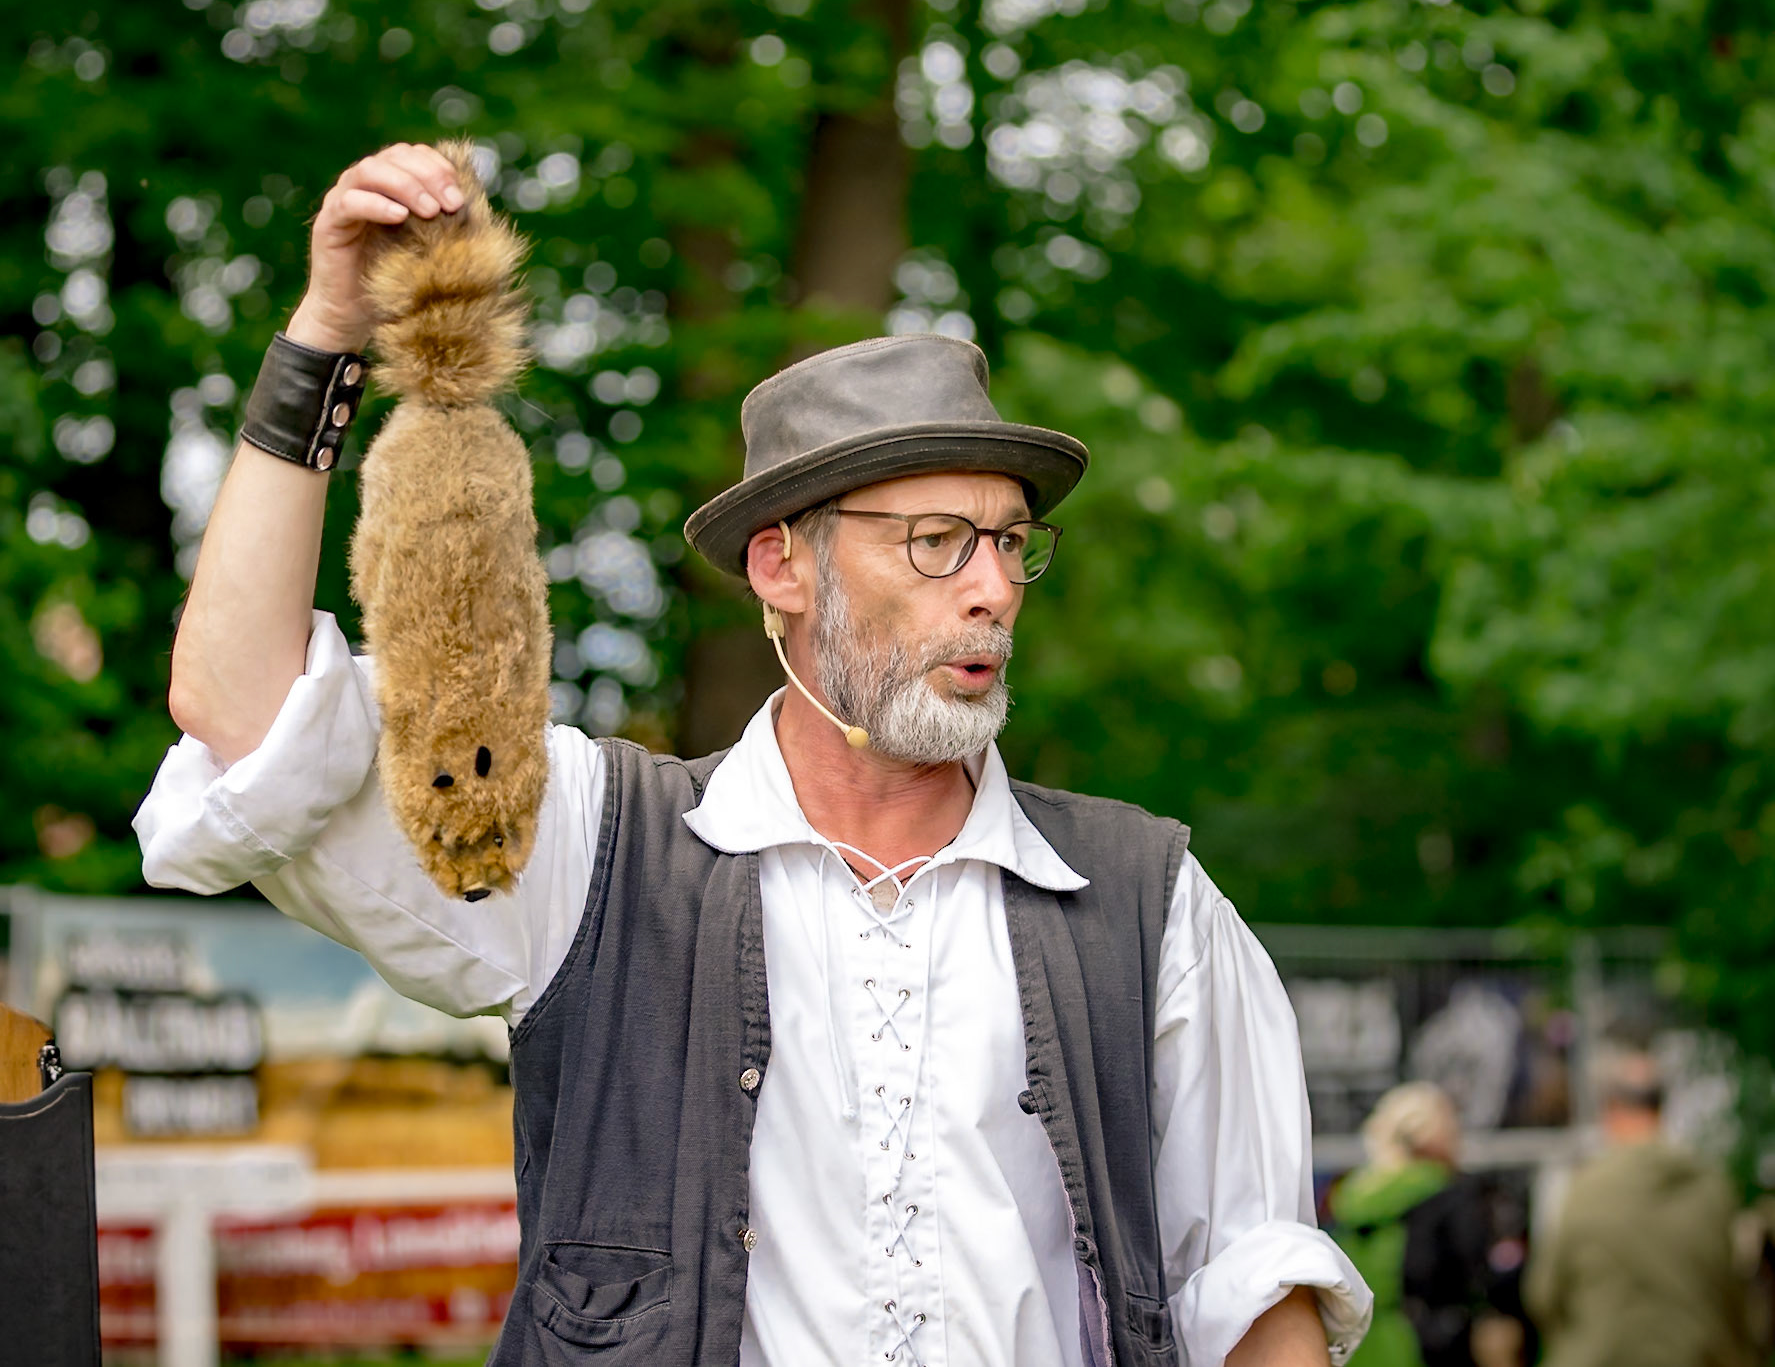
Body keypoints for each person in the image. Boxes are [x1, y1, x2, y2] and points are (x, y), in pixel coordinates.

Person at [136, 142, 1371, 1367]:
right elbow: (239, 710)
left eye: (1010, 543)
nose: (993, 587)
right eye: (938, 540)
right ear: (782, 568)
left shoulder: (1143, 900)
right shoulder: (588, 854)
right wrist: (327, 336)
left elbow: (1252, 1290)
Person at [1524, 1048, 1754, 1367]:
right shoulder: (1712, 1187)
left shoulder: (1583, 1188)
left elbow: (1544, 1296)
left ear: (1611, 1109)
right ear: (1661, 1108)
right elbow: (1737, 1296)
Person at [1331, 1084, 1524, 1367]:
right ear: (1432, 1135)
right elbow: (1477, 1277)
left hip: (1360, 1345)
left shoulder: (1351, 1196)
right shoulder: (1447, 1195)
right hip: (1433, 1348)